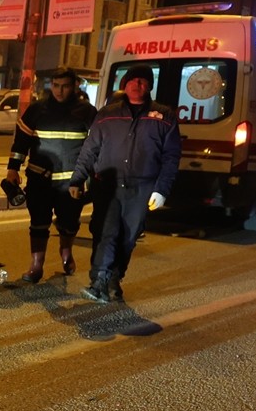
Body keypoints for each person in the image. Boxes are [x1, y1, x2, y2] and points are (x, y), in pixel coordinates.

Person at [69, 65, 181, 303]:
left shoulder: (164, 117)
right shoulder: (107, 114)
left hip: (142, 188)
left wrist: (162, 189)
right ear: (125, 84)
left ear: (150, 85)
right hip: (108, 185)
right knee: (106, 233)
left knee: (128, 237)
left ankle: (114, 279)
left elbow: (171, 157)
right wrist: (78, 177)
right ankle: (98, 280)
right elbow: (90, 149)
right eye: (133, 80)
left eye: (143, 81)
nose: (137, 84)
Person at [6, 68, 97, 282]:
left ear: (74, 86)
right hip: (39, 179)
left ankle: (66, 252)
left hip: (71, 183)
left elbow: (95, 147)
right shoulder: (37, 110)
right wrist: (12, 169)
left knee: (69, 222)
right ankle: (36, 265)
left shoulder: (87, 112)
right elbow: (21, 142)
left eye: (64, 86)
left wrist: (92, 177)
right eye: (55, 85)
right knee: (38, 222)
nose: (59, 90)